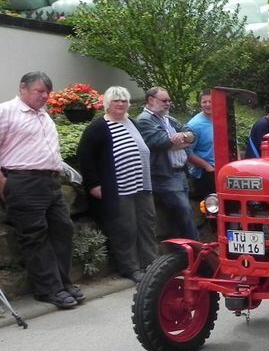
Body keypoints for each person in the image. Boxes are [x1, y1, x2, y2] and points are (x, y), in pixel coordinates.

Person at [0, 71, 83, 309]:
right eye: (40, 91)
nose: (45, 96)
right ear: (22, 88)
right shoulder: (6, 111)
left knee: (63, 229)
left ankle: (62, 283)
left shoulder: (44, 116)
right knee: (35, 236)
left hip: (49, 181)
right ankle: (48, 289)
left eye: (48, 91)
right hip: (22, 181)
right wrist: (4, 183)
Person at [77, 86, 157, 283]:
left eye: (124, 100)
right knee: (125, 229)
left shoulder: (132, 123)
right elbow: (84, 157)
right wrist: (94, 185)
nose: (120, 104)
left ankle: (151, 264)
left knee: (147, 225)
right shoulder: (99, 128)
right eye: (116, 100)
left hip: (142, 186)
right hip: (119, 189)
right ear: (107, 104)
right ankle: (130, 268)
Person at [135, 86, 199, 241]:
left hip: (180, 173)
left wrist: (183, 137)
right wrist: (182, 140)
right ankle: (197, 252)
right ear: (151, 100)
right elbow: (161, 141)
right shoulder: (144, 120)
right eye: (164, 100)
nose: (168, 103)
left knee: (183, 214)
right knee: (184, 212)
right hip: (164, 176)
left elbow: (192, 134)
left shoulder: (167, 118)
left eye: (169, 100)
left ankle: (185, 251)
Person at [186, 89, 215, 200]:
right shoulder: (194, 125)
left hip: (224, 171)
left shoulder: (222, 119)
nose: (207, 105)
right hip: (205, 174)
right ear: (200, 103)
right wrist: (207, 167)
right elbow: (188, 152)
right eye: (204, 102)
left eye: (210, 101)